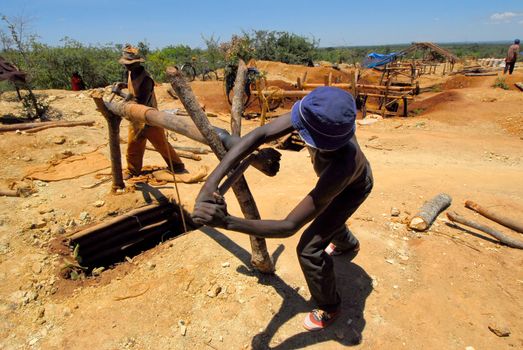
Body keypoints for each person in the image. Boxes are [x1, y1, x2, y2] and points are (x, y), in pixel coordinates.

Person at [192, 87, 373, 331]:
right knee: (328, 217)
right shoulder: (326, 122)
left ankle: (330, 306)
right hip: (336, 181)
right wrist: (210, 184)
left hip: (354, 188)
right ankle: (348, 244)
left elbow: (288, 226)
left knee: (310, 248)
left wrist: (226, 222)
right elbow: (259, 134)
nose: (295, 126)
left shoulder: (343, 166)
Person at [113, 45, 185, 176]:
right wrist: (122, 85)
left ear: (137, 63)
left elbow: (140, 102)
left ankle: (177, 165)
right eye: (126, 64)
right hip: (135, 117)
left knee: (161, 144)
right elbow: (131, 87)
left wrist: (120, 94)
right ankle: (133, 170)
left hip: (149, 118)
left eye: (130, 64)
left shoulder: (146, 80)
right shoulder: (130, 72)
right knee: (133, 146)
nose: (126, 66)